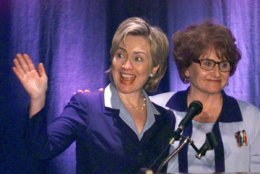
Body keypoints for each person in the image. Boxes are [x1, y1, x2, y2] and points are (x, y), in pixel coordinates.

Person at [12, 17, 175, 174]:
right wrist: (37, 98)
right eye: (120, 55)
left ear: (154, 68)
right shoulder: (86, 105)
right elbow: (42, 149)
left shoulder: (165, 118)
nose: (126, 65)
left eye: (138, 58)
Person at [150, 21, 260, 173]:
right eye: (207, 63)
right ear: (187, 68)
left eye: (223, 64)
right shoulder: (157, 109)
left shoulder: (251, 117)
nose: (216, 73)